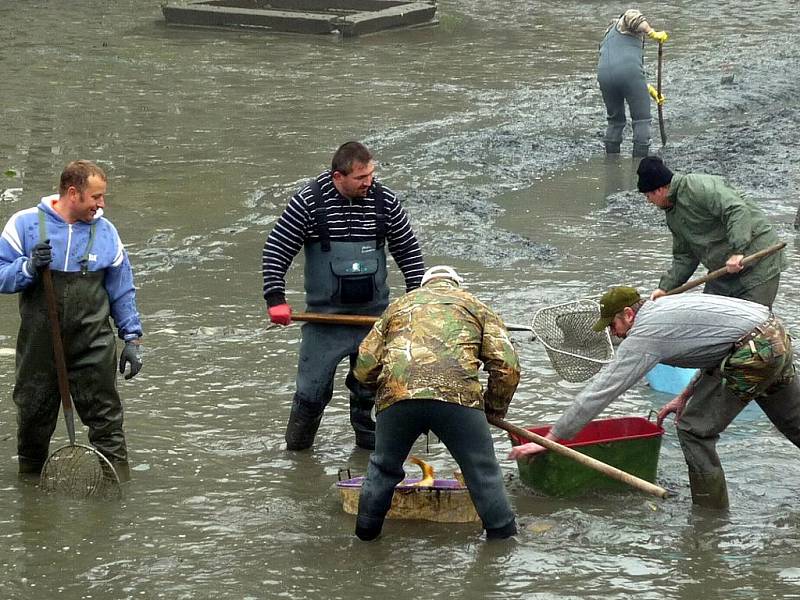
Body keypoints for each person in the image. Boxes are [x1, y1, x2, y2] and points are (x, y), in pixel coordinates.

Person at [509, 286, 800, 509]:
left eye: (613, 326)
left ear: (628, 314)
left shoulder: (645, 334)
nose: (614, 334)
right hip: (772, 334)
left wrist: (552, 437)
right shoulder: (663, 308)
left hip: (752, 352)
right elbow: (716, 351)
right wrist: (684, 395)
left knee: (692, 430)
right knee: (792, 420)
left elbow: (602, 391)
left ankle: (710, 515)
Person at [262, 141, 425, 451]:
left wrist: (416, 302)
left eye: (371, 174)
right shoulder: (308, 203)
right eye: (361, 177)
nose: (369, 182)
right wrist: (275, 299)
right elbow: (276, 250)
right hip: (324, 320)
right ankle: (298, 453)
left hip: (374, 320)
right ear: (338, 176)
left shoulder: (385, 202)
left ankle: (368, 451)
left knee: (372, 389)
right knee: (311, 393)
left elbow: (410, 255)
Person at [352, 266, 520, 540]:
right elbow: (507, 367)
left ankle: (365, 537)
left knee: (382, 468)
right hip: (457, 398)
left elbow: (365, 365)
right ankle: (503, 543)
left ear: (423, 285)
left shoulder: (397, 307)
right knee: (482, 471)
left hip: (398, 396)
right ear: (456, 284)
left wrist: (386, 393)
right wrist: (493, 408)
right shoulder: (476, 307)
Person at [0, 160, 143, 481]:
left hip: (93, 345)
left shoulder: (107, 233)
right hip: (39, 348)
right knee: (33, 421)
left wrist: (132, 339)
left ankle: (115, 489)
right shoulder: (24, 224)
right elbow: (0, 275)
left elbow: (123, 290)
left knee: (108, 424)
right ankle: (31, 496)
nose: (101, 204)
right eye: (96, 197)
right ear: (73, 193)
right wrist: (27, 267)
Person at [638, 156, 786, 307]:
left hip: (757, 262)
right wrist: (666, 287)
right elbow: (685, 256)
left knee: (751, 322)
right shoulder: (672, 213)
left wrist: (737, 251)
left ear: (660, 190)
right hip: (722, 272)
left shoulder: (698, 187)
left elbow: (736, 210)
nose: (648, 201)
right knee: (708, 318)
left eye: (648, 196)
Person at [598, 9, 668, 157]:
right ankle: (639, 162)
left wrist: (649, 90)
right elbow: (634, 17)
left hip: (604, 77)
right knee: (642, 119)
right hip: (629, 75)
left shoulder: (606, 36)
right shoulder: (623, 22)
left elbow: (620, 67)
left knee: (615, 121)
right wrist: (652, 33)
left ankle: (611, 161)